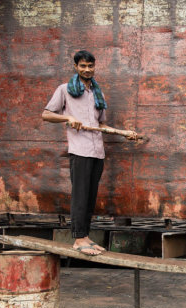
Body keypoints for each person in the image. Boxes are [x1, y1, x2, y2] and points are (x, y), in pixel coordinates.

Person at [42, 50, 138, 255]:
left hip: (97, 152)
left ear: (94, 67)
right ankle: (78, 239)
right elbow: (46, 114)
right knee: (80, 196)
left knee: (90, 197)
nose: (87, 70)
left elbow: (101, 124)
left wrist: (123, 133)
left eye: (90, 66)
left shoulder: (97, 93)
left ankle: (85, 236)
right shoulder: (64, 90)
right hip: (80, 151)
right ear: (75, 67)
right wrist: (68, 119)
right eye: (83, 66)